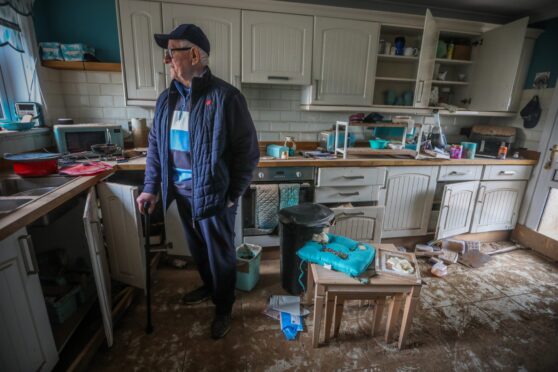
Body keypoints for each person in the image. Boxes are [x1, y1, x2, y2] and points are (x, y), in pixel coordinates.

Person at [136, 24, 259, 339]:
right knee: (199, 251)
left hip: (214, 194)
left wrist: (232, 196)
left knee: (220, 254)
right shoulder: (167, 99)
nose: (167, 60)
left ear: (193, 54)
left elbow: (248, 154)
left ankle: (224, 307)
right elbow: (156, 148)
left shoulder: (225, 97)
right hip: (181, 193)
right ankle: (209, 287)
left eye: (171, 52)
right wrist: (151, 187)